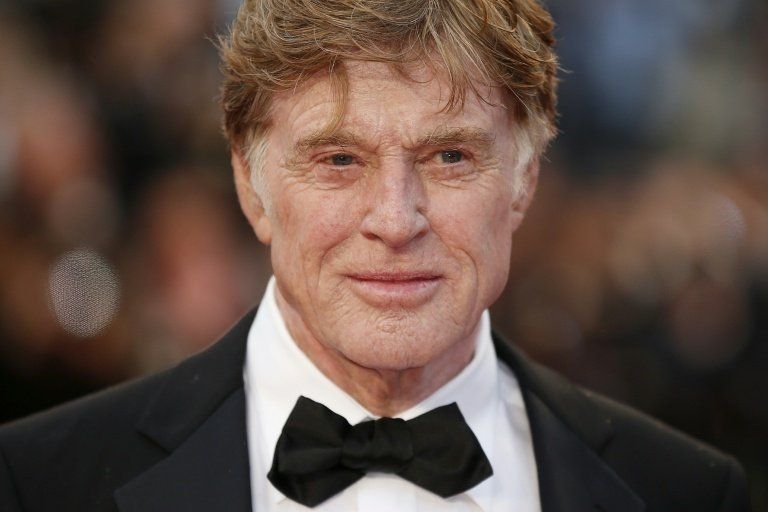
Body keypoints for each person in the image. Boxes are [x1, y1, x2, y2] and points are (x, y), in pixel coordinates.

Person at [0, 0, 750, 510]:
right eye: (338, 160)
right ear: (251, 185)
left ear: (524, 179)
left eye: (450, 157)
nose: (395, 220)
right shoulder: (42, 482)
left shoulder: (682, 491)